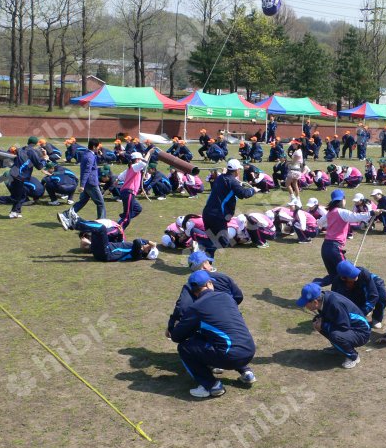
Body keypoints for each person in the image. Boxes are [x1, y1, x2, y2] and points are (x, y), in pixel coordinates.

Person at [169, 270, 256, 398]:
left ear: (193, 290)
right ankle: (246, 372)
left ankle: (211, 385)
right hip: (250, 349)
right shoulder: (227, 297)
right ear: (209, 284)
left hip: (230, 357)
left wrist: (174, 327)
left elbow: (177, 337)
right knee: (221, 335)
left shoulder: (195, 308)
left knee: (184, 348)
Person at [296, 283, 371, 369]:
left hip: (361, 332)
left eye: (306, 303)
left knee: (335, 335)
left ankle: (353, 356)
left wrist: (323, 325)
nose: (305, 306)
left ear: (315, 302)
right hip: (349, 327)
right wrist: (321, 323)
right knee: (317, 320)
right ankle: (339, 348)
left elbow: (344, 326)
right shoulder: (322, 300)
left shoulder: (335, 304)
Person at [317, 189, 377, 285]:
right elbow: (356, 217)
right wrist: (372, 213)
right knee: (346, 274)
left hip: (325, 247)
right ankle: (316, 284)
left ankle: (315, 285)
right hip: (335, 248)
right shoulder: (342, 212)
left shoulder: (330, 212)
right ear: (343, 200)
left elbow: (319, 223)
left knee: (334, 276)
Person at [202, 159, 259, 257]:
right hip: (218, 216)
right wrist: (253, 190)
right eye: (239, 169)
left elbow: (227, 180)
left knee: (212, 239)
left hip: (207, 213)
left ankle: (206, 261)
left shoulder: (220, 178)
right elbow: (243, 194)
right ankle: (199, 243)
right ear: (236, 170)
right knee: (222, 243)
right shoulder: (233, 182)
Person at [62, 212, 159, 262]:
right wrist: (120, 234)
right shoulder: (136, 251)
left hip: (106, 253)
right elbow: (121, 245)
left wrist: (150, 242)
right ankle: (72, 222)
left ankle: (75, 222)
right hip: (103, 251)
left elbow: (137, 241)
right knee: (96, 229)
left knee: (101, 228)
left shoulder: (138, 254)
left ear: (147, 252)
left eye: (149, 247)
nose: (148, 245)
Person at [0, 136, 45, 218]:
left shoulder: (21, 149)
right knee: (15, 198)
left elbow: (13, 152)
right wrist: (44, 159)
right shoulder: (32, 152)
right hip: (20, 176)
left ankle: (14, 212)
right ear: (35, 144)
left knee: (22, 195)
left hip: (14, 174)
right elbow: (39, 167)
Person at [331, 261, 386, 328]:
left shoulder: (363, 273)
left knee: (381, 296)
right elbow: (336, 301)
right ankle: (364, 308)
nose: (356, 274)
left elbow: (373, 295)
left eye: (355, 271)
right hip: (356, 289)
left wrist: (362, 312)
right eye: (352, 274)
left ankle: (376, 318)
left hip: (373, 282)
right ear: (343, 278)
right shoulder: (337, 284)